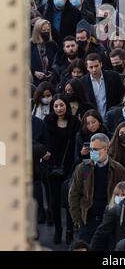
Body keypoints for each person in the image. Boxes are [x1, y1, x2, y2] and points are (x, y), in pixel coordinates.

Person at [69, 133, 125, 243]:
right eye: (91, 149)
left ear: (106, 148)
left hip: (110, 220)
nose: (92, 152)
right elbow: (74, 194)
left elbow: (124, 194)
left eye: (96, 149)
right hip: (88, 220)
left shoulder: (119, 170)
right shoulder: (83, 168)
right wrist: (77, 220)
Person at [44, 94, 80, 244]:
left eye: (62, 105)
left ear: (67, 106)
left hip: (70, 166)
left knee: (70, 199)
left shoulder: (74, 122)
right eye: (56, 106)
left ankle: (69, 231)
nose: (59, 109)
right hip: (52, 166)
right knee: (54, 200)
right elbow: (43, 141)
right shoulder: (48, 122)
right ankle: (58, 230)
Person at [80, 53, 125, 117]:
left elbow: (122, 96)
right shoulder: (82, 82)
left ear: (101, 64)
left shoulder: (114, 76)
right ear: (87, 67)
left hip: (113, 116)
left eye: (96, 66)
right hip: (93, 119)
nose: (94, 69)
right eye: (91, 67)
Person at [30, 19, 58, 86]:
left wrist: (53, 72)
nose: (46, 32)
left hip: (50, 80)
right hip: (34, 80)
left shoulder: (53, 44)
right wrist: (34, 72)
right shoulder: (31, 45)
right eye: (43, 30)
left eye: (48, 30)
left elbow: (57, 61)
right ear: (38, 31)